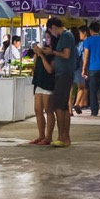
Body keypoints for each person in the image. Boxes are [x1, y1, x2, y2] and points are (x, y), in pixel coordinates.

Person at [44, 17, 76, 147]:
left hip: (64, 74)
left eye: (51, 31)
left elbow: (66, 55)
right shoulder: (65, 36)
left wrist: (53, 52)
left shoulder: (66, 36)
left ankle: (64, 137)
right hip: (61, 73)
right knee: (60, 105)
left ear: (53, 27)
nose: (52, 34)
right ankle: (62, 136)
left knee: (60, 106)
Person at [82, 22, 100, 117]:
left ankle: (94, 111)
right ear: (98, 30)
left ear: (90, 30)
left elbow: (86, 56)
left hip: (92, 68)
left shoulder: (88, 41)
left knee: (93, 91)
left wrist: (84, 69)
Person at [29, 42, 55, 145]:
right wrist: (37, 55)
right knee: (38, 109)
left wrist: (42, 56)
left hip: (48, 83)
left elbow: (50, 70)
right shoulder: (37, 56)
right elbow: (35, 68)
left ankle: (48, 137)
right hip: (39, 83)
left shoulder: (51, 56)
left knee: (48, 110)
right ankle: (41, 135)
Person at [71, 26, 88, 115]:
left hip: (69, 68)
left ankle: (69, 109)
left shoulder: (69, 44)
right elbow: (83, 57)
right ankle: (77, 103)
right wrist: (84, 68)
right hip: (79, 68)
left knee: (70, 89)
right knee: (81, 87)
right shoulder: (82, 44)